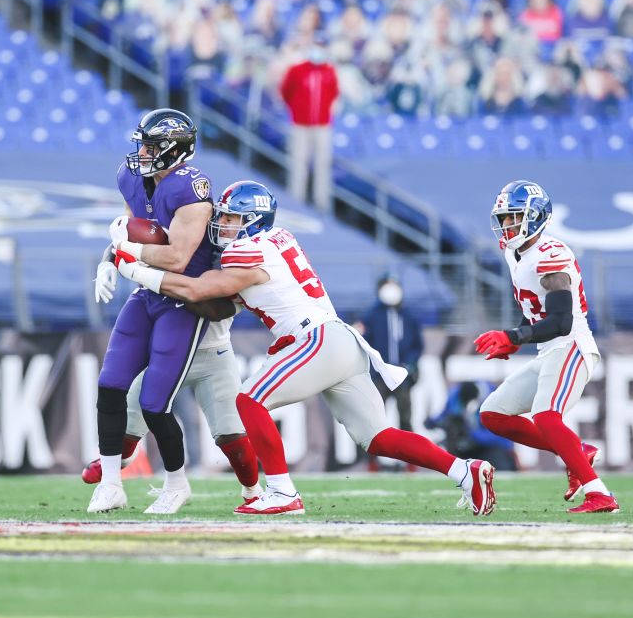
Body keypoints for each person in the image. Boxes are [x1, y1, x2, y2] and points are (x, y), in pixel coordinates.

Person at [115, 180, 496, 517]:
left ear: (254, 220)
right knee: (378, 438)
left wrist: (136, 267)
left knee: (248, 402)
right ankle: (466, 472)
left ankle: (282, 492)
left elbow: (199, 291)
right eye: (224, 217)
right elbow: (215, 303)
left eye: (233, 219)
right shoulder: (277, 241)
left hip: (312, 340)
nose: (224, 225)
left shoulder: (246, 252)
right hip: (340, 342)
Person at [88, 108, 236, 515]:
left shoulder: (191, 187)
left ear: (178, 150)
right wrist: (108, 259)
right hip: (146, 293)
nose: (143, 153)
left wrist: (128, 253)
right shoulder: (131, 176)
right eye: (143, 144)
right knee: (110, 384)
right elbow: (130, 228)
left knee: (155, 402)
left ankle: (176, 483)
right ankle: (111, 484)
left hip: (184, 299)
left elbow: (176, 256)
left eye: (153, 146)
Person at [474, 180, 618, 514]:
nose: (508, 225)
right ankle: (578, 450)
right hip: (550, 351)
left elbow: (560, 322)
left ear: (536, 217)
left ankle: (599, 493)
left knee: (546, 416)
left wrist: (513, 337)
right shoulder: (515, 253)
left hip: (571, 346)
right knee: (493, 414)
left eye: (514, 217)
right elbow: (535, 313)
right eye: (505, 218)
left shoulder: (551, 256)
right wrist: (515, 339)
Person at [88, 271, 263, 506]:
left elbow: (212, 308)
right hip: (166, 353)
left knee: (231, 436)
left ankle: (253, 491)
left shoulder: (234, 262)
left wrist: (157, 279)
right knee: (126, 426)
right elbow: (129, 237)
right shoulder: (175, 248)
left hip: (214, 357)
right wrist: (112, 260)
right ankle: (117, 462)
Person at [279, 43, 339, 212]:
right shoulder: (297, 70)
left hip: (322, 125)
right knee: (298, 163)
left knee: (323, 165)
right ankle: (295, 200)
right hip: (301, 125)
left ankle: (322, 203)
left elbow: (333, 93)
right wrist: (297, 109)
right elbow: (286, 91)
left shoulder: (329, 71)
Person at [359, 275, 423, 436]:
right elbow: (365, 342)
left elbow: (417, 345)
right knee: (374, 419)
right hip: (379, 374)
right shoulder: (372, 315)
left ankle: (410, 459)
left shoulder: (408, 316)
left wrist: (410, 363)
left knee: (406, 418)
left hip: (401, 374)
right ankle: (371, 460)